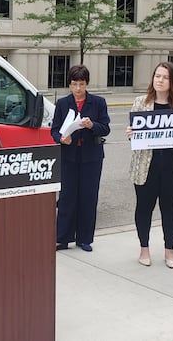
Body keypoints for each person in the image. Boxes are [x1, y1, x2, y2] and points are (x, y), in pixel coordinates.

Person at [126, 62, 173, 268]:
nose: (159, 80)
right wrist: (131, 134)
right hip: (145, 167)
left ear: (172, 81)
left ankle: (169, 252)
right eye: (157, 76)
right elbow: (135, 136)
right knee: (144, 209)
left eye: (164, 77)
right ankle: (144, 250)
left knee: (170, 210)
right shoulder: (141, 102)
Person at [51, 65, 110, 252]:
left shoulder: (98, 102)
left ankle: (84, 238)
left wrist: (92, 125)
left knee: (88, 197)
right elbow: (54, 130)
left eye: (82, 84)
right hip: (69, 156)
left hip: (91, 158)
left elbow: (106, 128)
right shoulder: (62, 103)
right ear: (69, 84)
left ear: (87, 84)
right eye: (75, 84)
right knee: (67, 197)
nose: (78, 89)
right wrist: (61, 139)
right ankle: (62, 238)